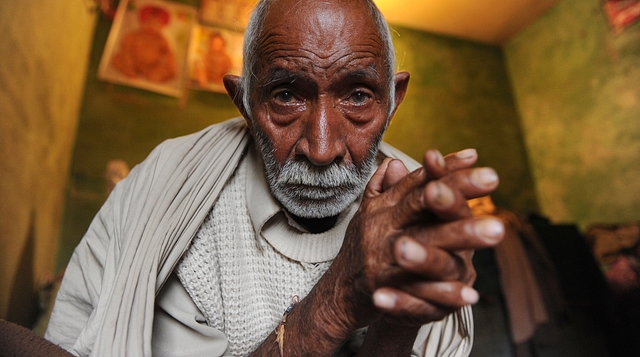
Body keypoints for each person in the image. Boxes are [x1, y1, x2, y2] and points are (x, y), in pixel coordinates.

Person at [45, 0, 505, 356]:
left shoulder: (421, 216)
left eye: (358, 96)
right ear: (244, 102)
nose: (322, 149)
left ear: (394, 97)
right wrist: (341, 295)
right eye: (286, 96)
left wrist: (400, 320)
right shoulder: (168, 202)